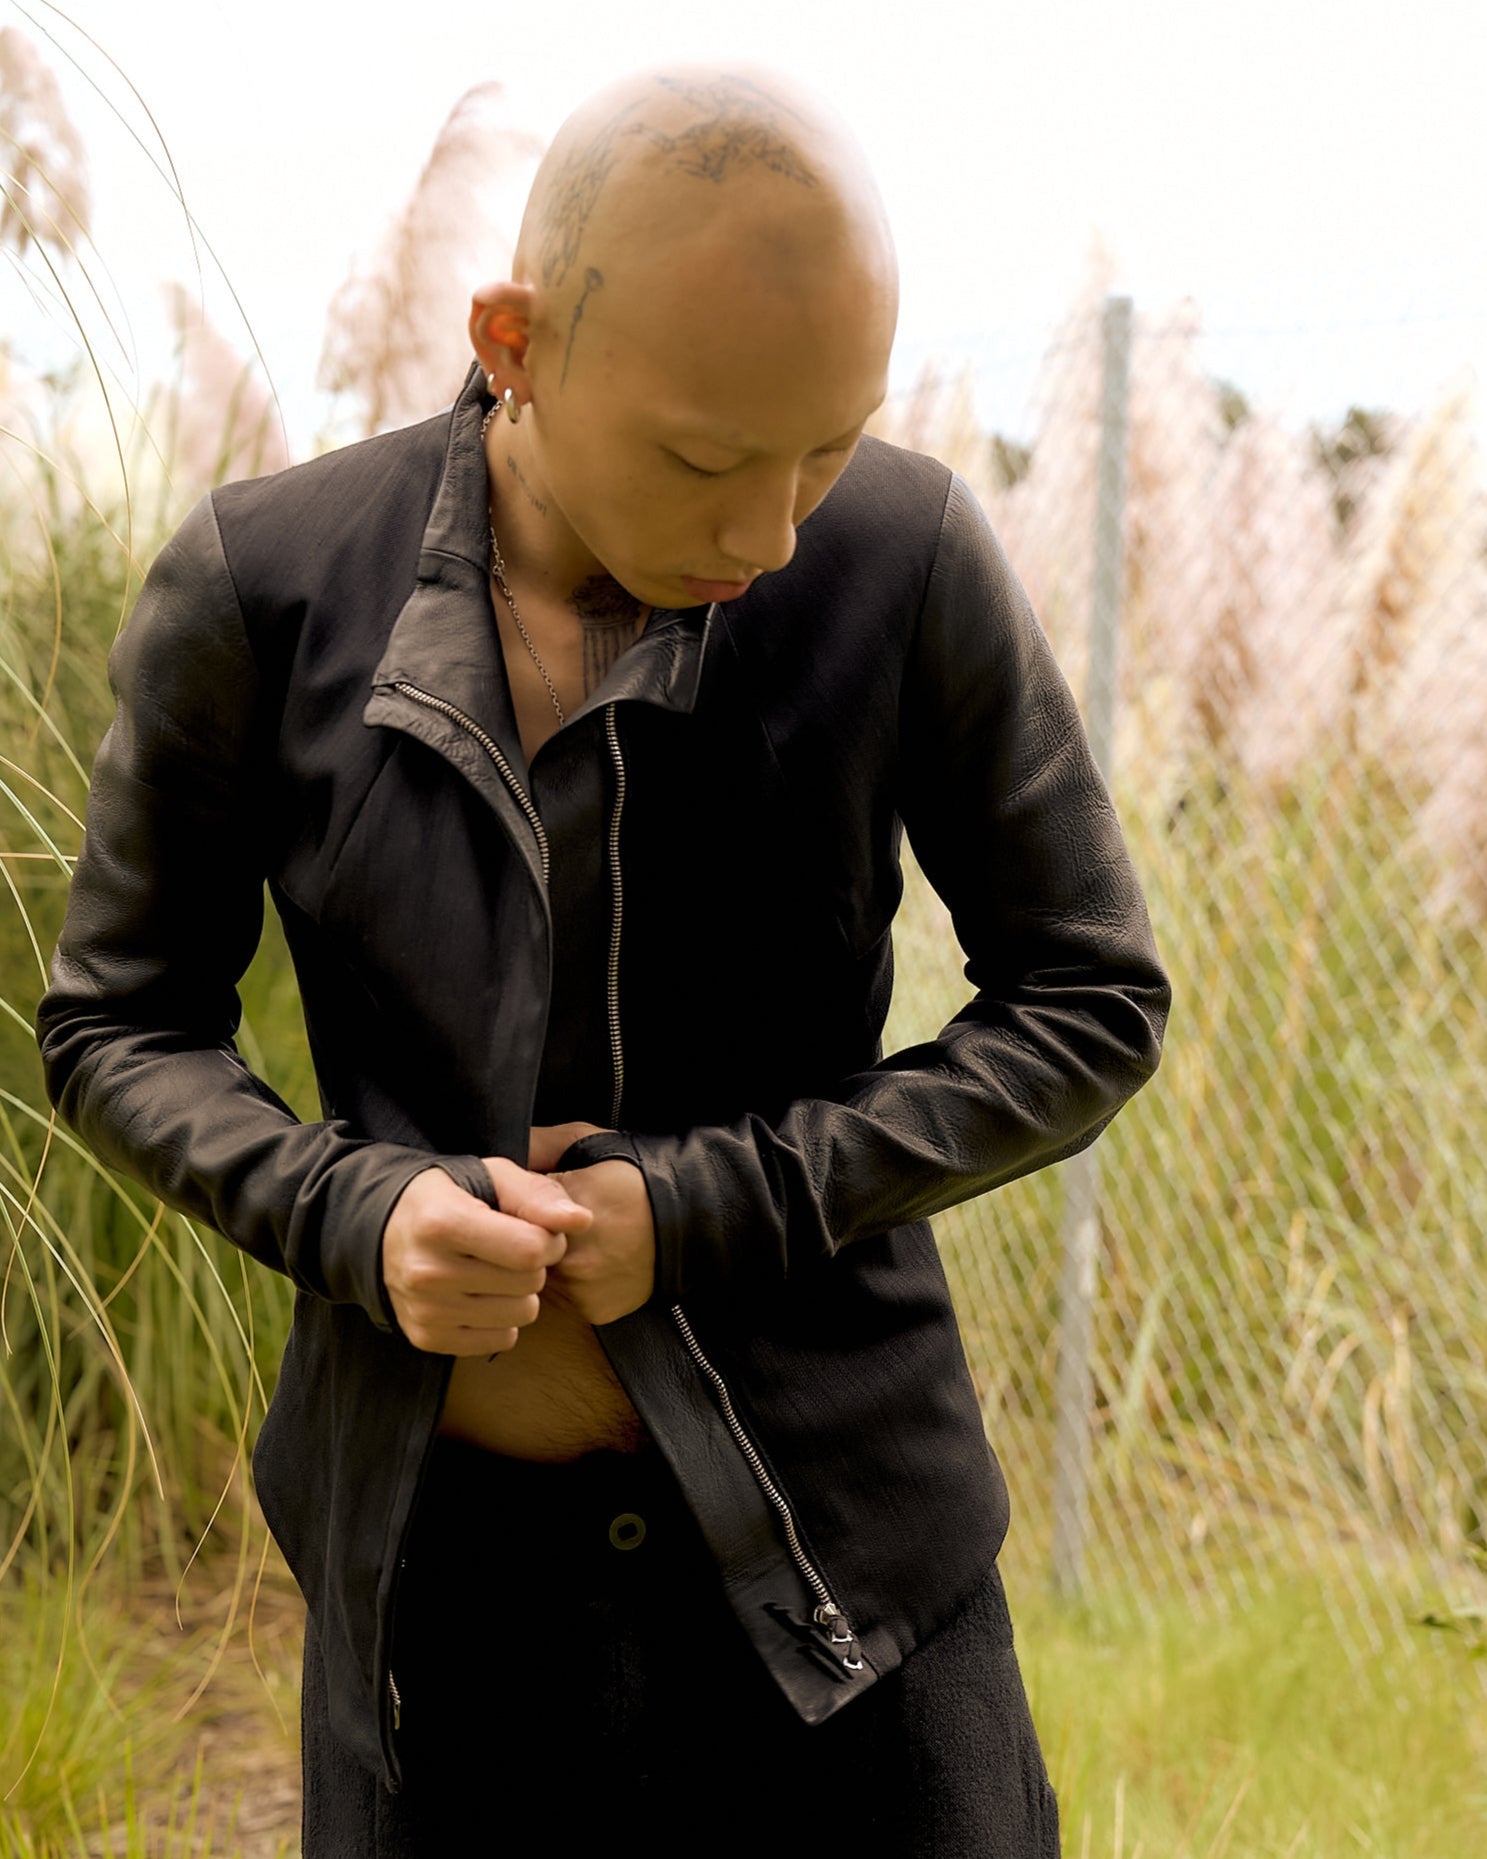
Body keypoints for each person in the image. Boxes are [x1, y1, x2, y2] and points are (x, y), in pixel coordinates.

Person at [37, 62, 1168, 1857]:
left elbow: (1093, 1000)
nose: (773, 532)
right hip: (445, 1602)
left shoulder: (910, 554)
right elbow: (115, 1024)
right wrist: (359, 1214)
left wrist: (710, 1204)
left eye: (829, 443)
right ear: (516, 339)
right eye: (709, 458)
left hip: (853, 1577)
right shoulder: (265, 587)